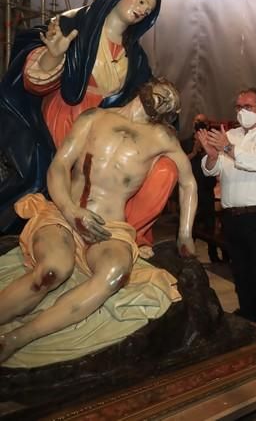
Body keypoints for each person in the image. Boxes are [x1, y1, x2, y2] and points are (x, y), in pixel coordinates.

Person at [0, 77, 197, 363]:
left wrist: (185, 234)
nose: (169, 98)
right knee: (53, 269)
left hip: (110, 229)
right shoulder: (95, 118)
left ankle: (18, 339)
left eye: (174, 101)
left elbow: (188, 183)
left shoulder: (162, 138)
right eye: (166, 90)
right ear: (148, 86)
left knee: (115, 271)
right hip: (66, 215)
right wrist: (69, 209)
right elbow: (59, 166)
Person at [0, 0, 175, 250]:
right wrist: (55, 55)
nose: (143, 9)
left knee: (144, 173)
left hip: (108, 127)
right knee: (66, 175)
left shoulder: (136, 56)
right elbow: (33, 82)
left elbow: (144, 101)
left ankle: (117, 235)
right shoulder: (73, 25)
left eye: (149, 9)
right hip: (67, 118)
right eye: (141, 0)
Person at [198, 88, 256, 355]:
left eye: (247, 107)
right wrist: (213, 154)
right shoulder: (233, 135)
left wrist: (225, 147)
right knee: (243, 280)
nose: (241, 111)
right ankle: (251, 337)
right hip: (235, 218)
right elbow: (212, 170)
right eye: (238, 106)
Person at [182, 114, 221, 263]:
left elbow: (216, 160)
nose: (199, 125)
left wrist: (206, 149)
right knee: (188, 222)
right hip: (189, 188)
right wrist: (194, 151)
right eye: (197, 122)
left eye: (203, 123)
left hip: (206, 188)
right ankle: (186, 254)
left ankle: (213, 254)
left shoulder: (211, 141)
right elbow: (179, 163)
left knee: (210, 223)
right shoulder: (185, 142)